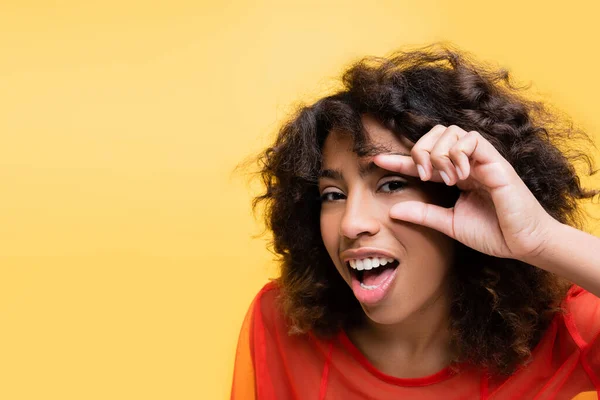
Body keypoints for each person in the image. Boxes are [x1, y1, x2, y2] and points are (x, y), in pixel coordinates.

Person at [231, 44, 600, 399]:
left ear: (461, 194)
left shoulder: (569, 332)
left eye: (391, 185)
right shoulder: (281, 324)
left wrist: (540, 239)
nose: (351, 224)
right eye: (333, 195)